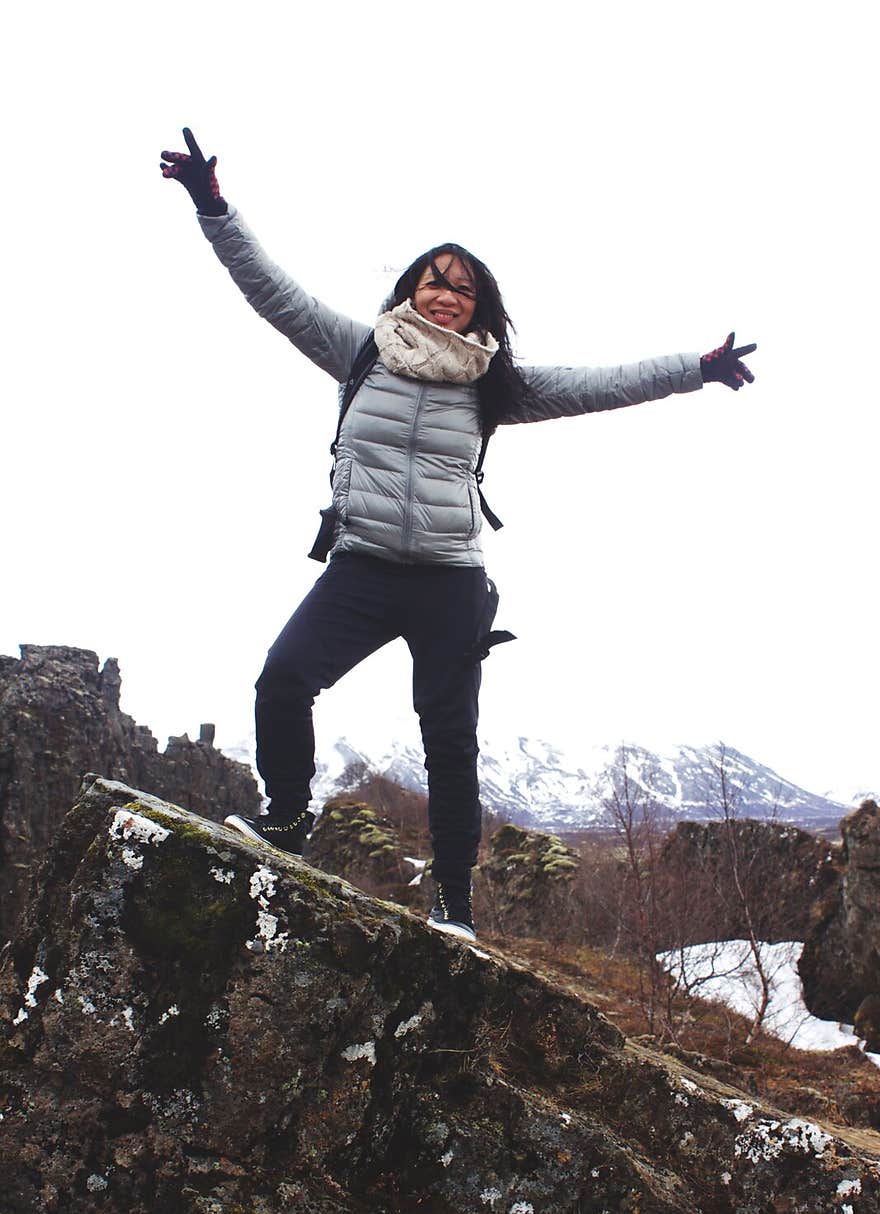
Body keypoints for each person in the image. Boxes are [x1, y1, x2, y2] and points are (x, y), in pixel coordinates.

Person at [160, 128, 757, 945]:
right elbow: (271, 291)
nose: (447, 296)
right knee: (282, 680)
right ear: (411, 290)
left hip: (449, 579)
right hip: (362, 567)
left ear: (481, 307)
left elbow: (598, 385)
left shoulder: (493, 385)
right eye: (435, 283)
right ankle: (289, 820)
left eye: (463, 290)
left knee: (450, 742)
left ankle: (453, 903)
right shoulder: (360, 351)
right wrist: (213, 205)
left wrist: (695, 368)